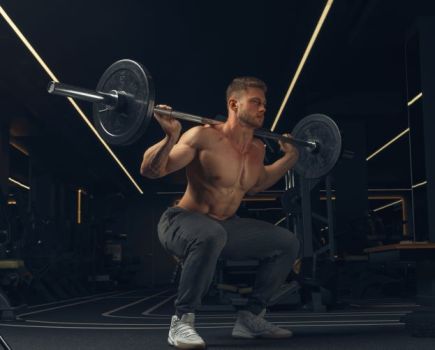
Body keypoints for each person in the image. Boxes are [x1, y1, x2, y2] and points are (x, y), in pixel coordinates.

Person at [140, 77, 300, 349]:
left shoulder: (257, 150)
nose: (263, 109)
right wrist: (170, 136)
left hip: (225, 228)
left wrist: (290, 157)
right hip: (181, 221)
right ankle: (181, 321)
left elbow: (258, 182)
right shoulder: (203, 136)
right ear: (234, 104)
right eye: (256, 102)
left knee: (287, 243)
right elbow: (152, 170)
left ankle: (250, 317)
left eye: (264, 104)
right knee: (210, 234)